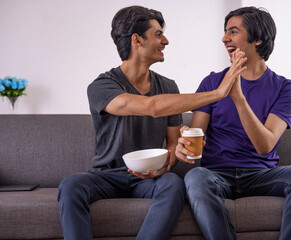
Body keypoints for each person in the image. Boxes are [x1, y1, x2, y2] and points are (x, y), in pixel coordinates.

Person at [57, 5, 246, 240]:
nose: (165, 40)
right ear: (137, 40)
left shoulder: (168, 87)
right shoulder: (102, 86)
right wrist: (218, 93)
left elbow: (172, 144)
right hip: (107, 175)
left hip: (149, 179)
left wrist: (169, 160)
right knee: (72, 185)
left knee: (173, 183)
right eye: (158, 34)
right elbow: (151, 107)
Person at [175, 6, 291, 240]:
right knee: (195, 177)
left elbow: (265, 145)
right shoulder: (212, 82)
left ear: (257, 39)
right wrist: (184, 143)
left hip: (262, 174)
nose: (224, 38)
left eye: (233, 31)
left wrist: (238, 98)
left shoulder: (284, 88)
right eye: (225, 31)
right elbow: (197, 134)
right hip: (216, 174)